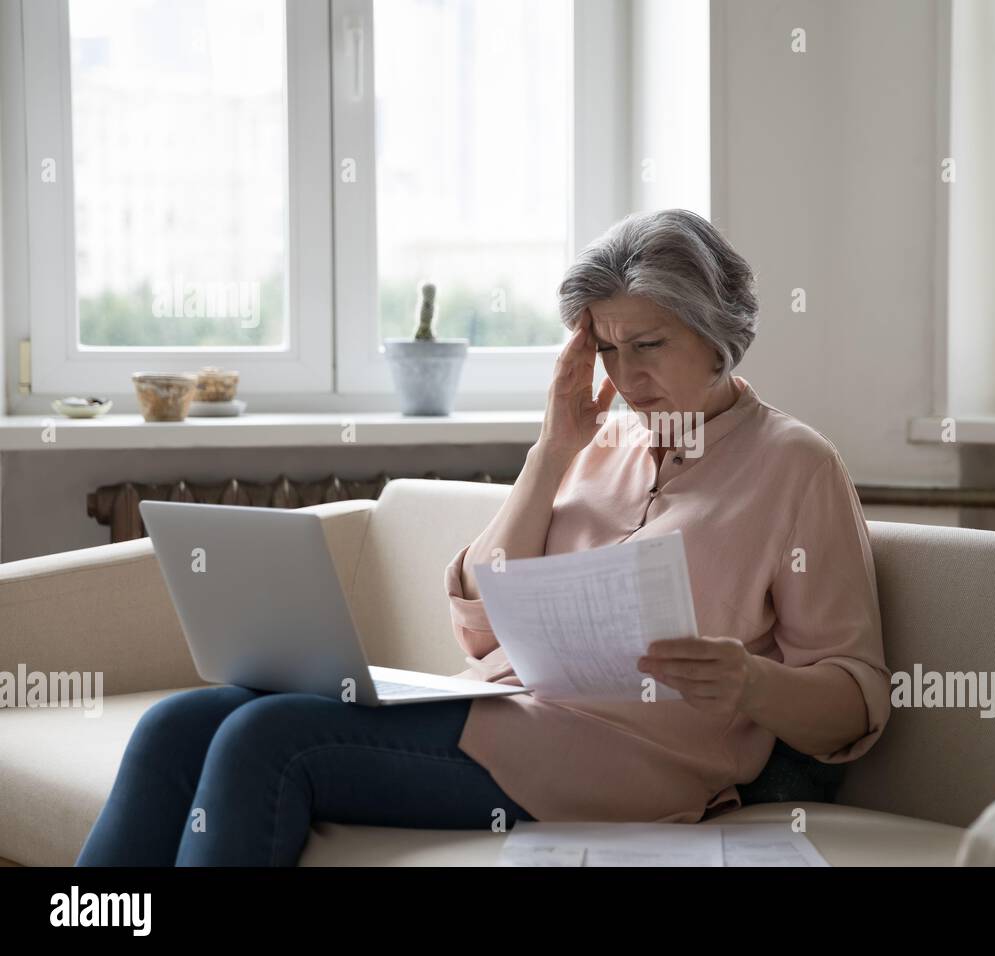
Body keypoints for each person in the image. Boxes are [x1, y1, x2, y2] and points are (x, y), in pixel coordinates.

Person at [75, 208, 889, 866]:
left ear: (718, 333)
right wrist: (552, 449)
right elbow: (479, 626)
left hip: (629, 764)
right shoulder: (595, 442)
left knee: (267, 740)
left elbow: (854, 702)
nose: (625, 377)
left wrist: (749, 682)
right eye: (607, 350)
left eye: (649, 346)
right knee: (180, 723)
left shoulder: (796, 467)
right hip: (498, 709)